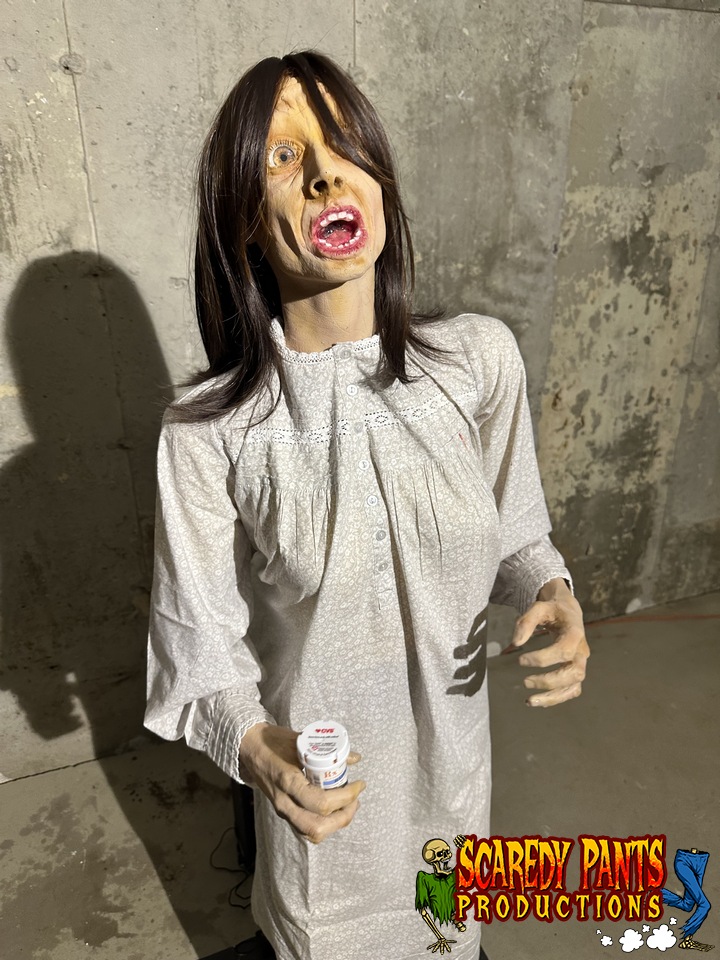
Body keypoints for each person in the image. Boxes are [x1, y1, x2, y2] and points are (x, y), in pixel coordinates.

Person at [145, 51, 589, 960]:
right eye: (283, 157)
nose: (325, 172)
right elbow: (199, 650)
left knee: (450, 936)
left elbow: (517, 530)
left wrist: (552, 590)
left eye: (345, 142)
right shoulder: (210, 432)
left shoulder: (478, 362)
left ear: (379, 178)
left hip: (456, 786)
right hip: (327, 822)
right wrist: (258, 750)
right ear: (245, 224)